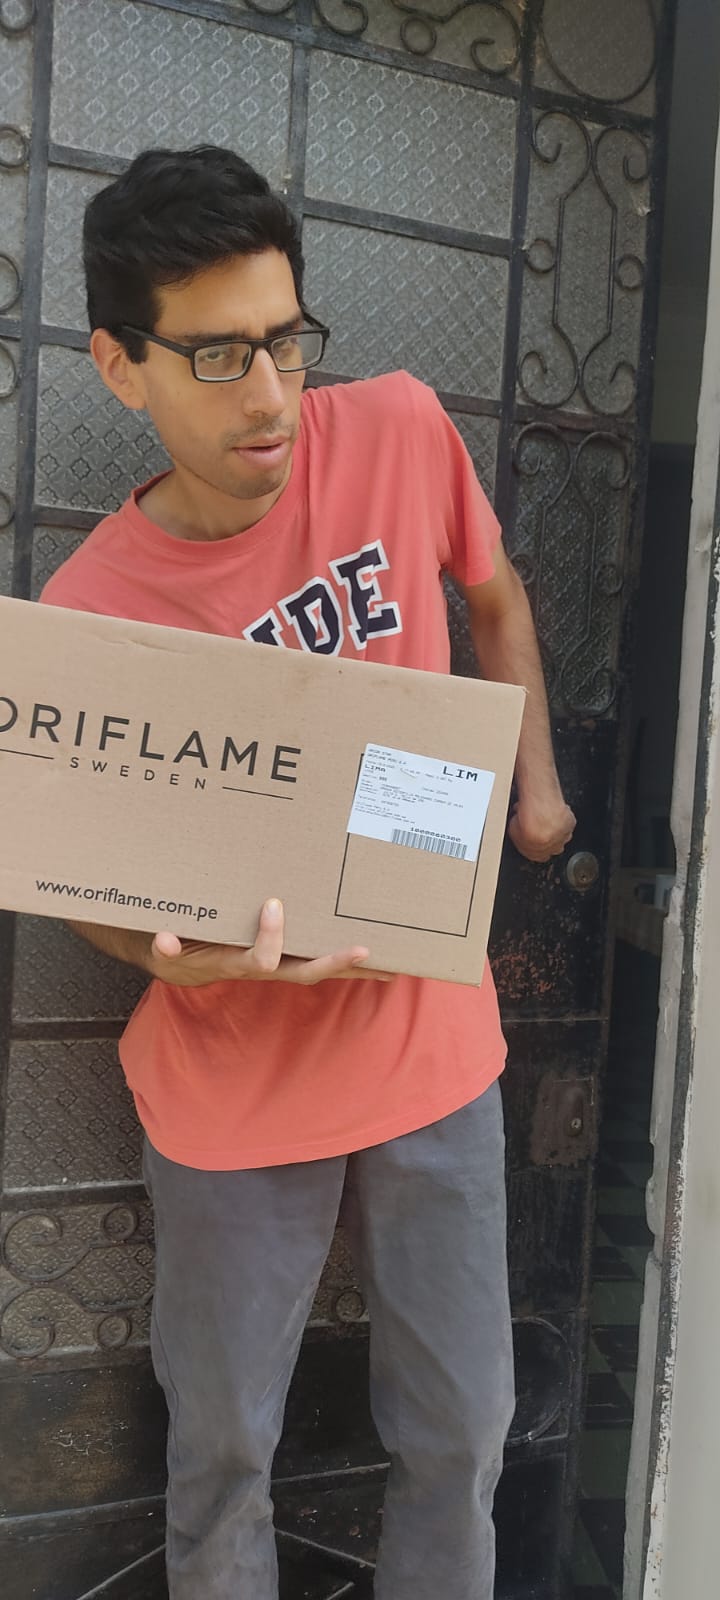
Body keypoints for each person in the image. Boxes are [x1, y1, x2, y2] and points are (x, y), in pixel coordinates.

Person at [40, 145, 576, 1600]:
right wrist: (164, 954)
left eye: (285, 340)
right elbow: (77, 881)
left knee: (463, 1434)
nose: (271, 394)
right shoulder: (91, 615)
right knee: (223, 1451)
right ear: (120, 364)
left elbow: (492, 592)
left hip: (430, 1040)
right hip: (233, 1080)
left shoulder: (397, 428)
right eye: (218, 355)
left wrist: (534, 791)